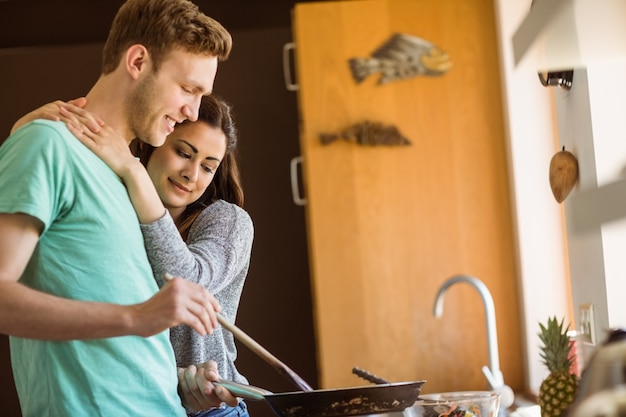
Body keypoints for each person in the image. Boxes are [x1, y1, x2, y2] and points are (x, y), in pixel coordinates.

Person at [0, 0, 238, 415]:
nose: (192, 112)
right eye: (188, 89)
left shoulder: (126, 182)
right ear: (138, 61)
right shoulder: (46, 144)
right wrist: (136, 316)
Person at [14, 94, 255, 417]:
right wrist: (22, 133)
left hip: (212, 410)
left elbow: (188, 280)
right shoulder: (113, 205)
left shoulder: (228, 221)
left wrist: (133, 170)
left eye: (208, 167)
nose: (191, 174)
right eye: (183, 153)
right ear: (153, 143)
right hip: (134, 401)